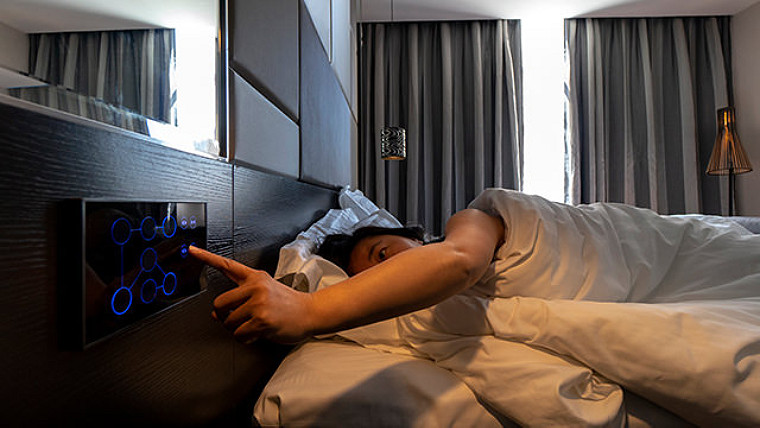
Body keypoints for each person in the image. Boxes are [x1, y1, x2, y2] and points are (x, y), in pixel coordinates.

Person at [188, 207, 504, 344]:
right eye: (379, 273)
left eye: (382, 254)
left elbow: (461, 260)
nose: (393, 273)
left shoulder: (470, 220)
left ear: (411, 236)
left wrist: (306, 310)